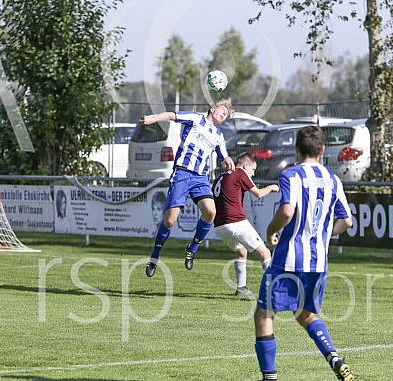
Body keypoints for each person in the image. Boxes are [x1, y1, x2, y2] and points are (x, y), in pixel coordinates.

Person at [254, 126, 354, 381]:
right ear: (322, 150)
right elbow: (347, 221)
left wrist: (270, 230)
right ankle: (334, 358)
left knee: (264, 314)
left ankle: (269, 378)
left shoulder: (291, 175)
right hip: (318, 262)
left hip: (288, 260)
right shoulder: (333, 179)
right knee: (305, 313)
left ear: (296, 149)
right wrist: (320, 233)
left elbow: (287, 212)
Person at [143, 99, 236, 277]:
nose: (223, 115)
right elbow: (171, 115)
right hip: (182, 173)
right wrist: (153, 119)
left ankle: (192, 248)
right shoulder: (195, 119)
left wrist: (227, 161)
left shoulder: (218, 136)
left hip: (200, 178)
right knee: (170, 221)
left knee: (210, 212)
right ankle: (154, 256)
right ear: (212, 109)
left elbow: (224, 156)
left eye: (225, 115)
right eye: (222, 111)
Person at [212, 152, 279, 296]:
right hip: (235, 222)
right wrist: (272, 187)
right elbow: (259, 193)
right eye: (253, 170)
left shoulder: (220, 177)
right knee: (265, 253)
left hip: (220, 226)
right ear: (246, 165)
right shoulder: (240, 172)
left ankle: (241, 288)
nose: (253, 175)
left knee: (242, 252)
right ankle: (275, 289)